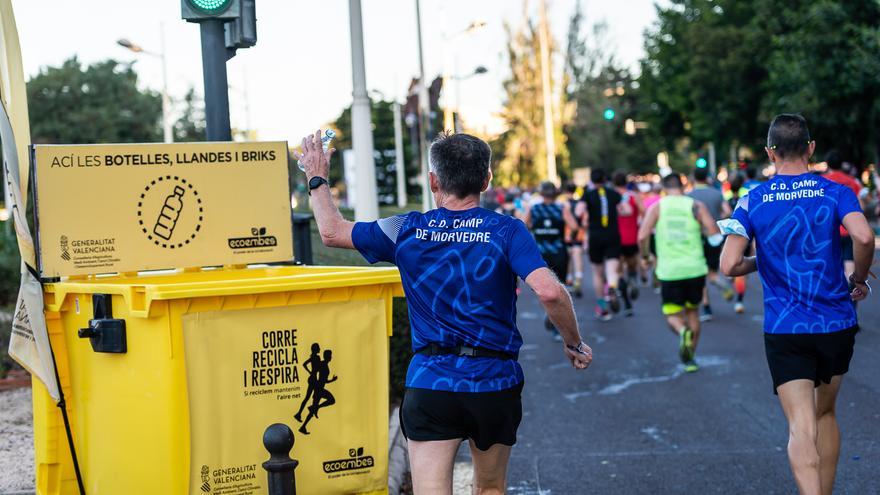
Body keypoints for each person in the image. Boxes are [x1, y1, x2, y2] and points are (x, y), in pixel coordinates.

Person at [295, 130, 592, 494]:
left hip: (431, 380)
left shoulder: (406, 229)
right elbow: (549, 292)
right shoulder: (506, 230)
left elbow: (331, 232)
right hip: (493, 380)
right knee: (490, 488)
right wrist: (573, 343)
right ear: (486, 180)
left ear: (434, 181)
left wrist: (317, 176)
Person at [719, 114, 874, 495]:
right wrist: (858, 280)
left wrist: (764, 259)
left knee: (800, 425)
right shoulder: (835, 191)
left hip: (785, 327)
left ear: (769, 152)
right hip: (836, 321)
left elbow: (728, 265)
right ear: (810, 148)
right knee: (825, 413)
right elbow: (865, 237)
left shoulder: (752, 198)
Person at [638, 173, 722, 373]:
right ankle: (691, 357)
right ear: (683, 187)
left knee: (673, 316)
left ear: (665, 188)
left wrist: (645, 256)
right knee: (693, 312)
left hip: (669, 271)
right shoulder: (695, 206)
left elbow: (642, 236)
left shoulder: (657, 207)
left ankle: (682, 331)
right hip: (695, 268)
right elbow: (713, 232)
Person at [524, 181, 580, 337]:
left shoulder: (534, 209)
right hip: (559, 251)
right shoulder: (562, 208)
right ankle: (557, 327)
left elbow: (522, 226)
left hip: (540, 254)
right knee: (560, 288)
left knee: (543, 288)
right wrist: (569, 239)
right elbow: (575, 227)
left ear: (541, 194)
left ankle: (550, 314)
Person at [688, 167, 734, 321]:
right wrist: (718, 220)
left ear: (694, 178)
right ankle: (717, 281)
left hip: (697, 238)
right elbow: (727, 211)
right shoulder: (716, 193)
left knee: (700, 275)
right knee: (712, 272)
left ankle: (706, 308)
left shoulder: (689, 196)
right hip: (715, 237)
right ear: (707, 178)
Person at [583, 168, 623, 321]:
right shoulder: (614, 194)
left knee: (597, 273)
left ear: (592, 181)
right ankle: (612, 286)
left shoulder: (588, 195)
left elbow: (580, 212)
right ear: (605, 180)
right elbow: (625, 210)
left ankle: (602, 306)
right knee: (612, 267)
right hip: (612, 234)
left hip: (595, 236)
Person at [823, 150, 864, 278]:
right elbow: (860, 206)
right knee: (849, 260)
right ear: (842, 164)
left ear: (827, 164)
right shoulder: (852, 182)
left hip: (828, 230)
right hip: (848, 229)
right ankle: (851, 288)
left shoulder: (821, 182)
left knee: (830, 262)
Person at [613, 172, 643, 316]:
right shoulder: (633, 196)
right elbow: (644, 212)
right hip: (632, 237)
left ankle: (627, 304)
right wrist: (638, 220)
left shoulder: (610, 197)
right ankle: (632, 279)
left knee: (618, 272)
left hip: (615, 239)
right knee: (632, 265)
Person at [562, 182, 587, 297]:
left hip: (566, 234)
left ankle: (569, 281)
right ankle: (578, 280)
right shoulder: (580, 204)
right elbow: (585, 220)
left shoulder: (563, 205)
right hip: (579, 234)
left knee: (568, 259)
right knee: (578, 258)